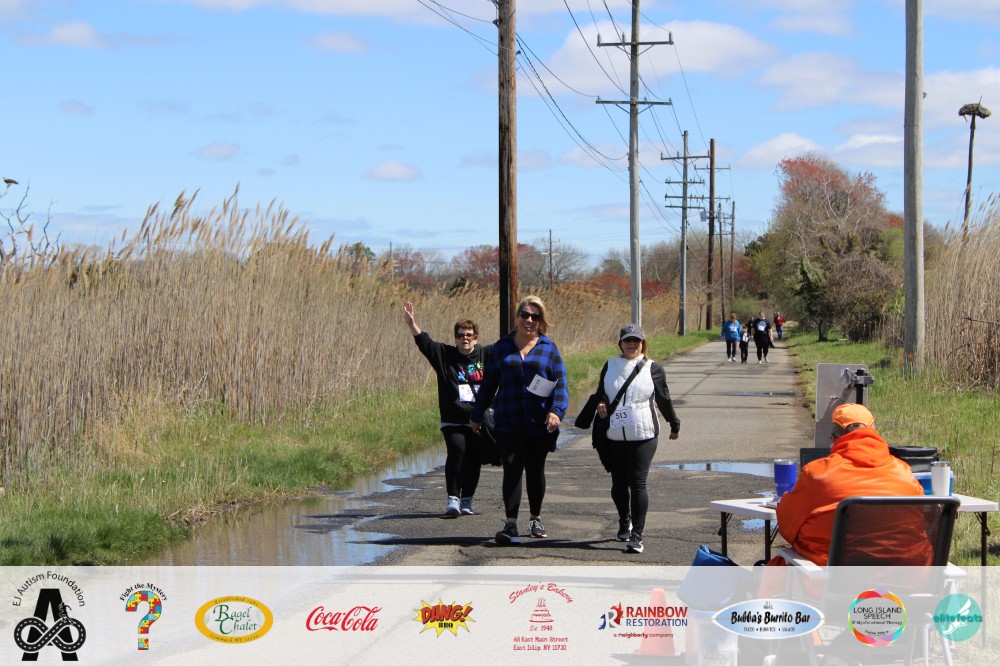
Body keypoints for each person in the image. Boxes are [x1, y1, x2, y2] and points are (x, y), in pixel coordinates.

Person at [773, 403, 930, 566]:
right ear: (874, 435)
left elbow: (786, 526)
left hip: (830, 578)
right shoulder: (904, 472)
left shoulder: (817, 473)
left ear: (834, 439)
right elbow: (923, 520)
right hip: (905, 577)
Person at [470, 295, 568, 545]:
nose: (529, 320)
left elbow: (560, 384)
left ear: (541, 320)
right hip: (508, 419)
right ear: (517, 317)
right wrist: (477, 415)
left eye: (535, 316)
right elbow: (488, 384)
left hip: (539, 423)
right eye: (525, 315)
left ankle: (535, 518)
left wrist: (556, 411)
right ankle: (511, 523)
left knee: (535, 470)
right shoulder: (502, 347)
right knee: (512, 470)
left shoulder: (549, 348)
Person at [594, 323, 680, 554]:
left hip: (644, 434)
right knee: (618, 485)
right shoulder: (610, 365)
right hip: (614, 435)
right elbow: (601, 391)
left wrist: (674, 423)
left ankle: (637, 536)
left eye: (636, 340)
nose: (632, 344)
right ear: (620, 343)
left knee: (638, 482)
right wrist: (601, 401)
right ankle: (625, 521)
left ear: (643, 343)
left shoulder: (653, 368)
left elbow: (663, 398)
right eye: (627, 340)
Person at [404, 302, 493, 518]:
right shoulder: (446, 355)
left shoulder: (486, 355)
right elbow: (425, 343)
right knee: (457, 451)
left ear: (476, 338)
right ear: (455, 338)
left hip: (477, 419)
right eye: (461, 335)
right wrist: (412, 324)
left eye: (469, 335)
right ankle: (453, 498)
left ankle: (467, 500)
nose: (465, 339)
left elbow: (509, 345)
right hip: (453, 419)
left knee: (474, 458)